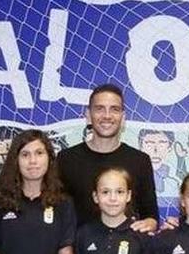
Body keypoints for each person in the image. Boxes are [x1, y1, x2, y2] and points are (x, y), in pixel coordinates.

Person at [57, 84, 159, 232]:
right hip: (79, 252)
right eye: (99, 109)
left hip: (126, 251)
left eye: (114, 109)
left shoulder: (140, 161)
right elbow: (56, 216)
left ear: (123, 118)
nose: (107, 116)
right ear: (88, 116)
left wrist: (149, 224)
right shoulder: (66, 159)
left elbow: (151, 216)